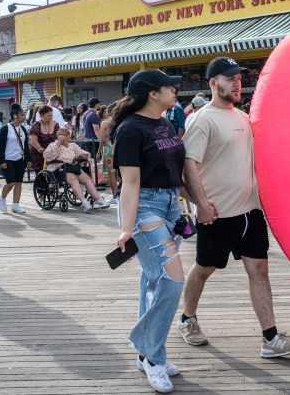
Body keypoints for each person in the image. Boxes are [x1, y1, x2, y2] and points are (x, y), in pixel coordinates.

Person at [178, 56, 290, 361]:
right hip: (218, 214)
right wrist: (201, 205)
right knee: (205, 268)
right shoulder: (202, 119)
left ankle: (271, 338)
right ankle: (187, 319)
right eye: (229, 78)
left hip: (251, 212)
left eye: (239, 78)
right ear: (213, 83)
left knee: (259, 269)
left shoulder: (243, 117)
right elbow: (188, 165)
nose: (237, 83)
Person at [109, 69, 187, 393]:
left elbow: (174, 170)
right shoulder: (129, 130)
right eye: (170, 87)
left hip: (169, 206)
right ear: (153, 93)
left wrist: (184, 208)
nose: (175, 91)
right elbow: (130, 183)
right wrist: (127, 230)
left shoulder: (165, 123)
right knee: (172, 278)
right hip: (144, 209)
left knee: (153, 278)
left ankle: (148, 354)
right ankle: (152, 355)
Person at [44, 128, 110, 212]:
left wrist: (83, 156)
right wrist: (58, 143)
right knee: (73, 179)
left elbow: (83, 153)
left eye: (62, 134)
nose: (60, 136)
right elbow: (47, 156)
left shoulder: (73, 145)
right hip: (59, 168)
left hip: (73, 167)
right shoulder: (53, 145)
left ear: (68, 136)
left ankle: (98, 200)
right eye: (59, 134)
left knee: (86, 179)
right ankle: (84, 203)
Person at [0, 104, 31, 214]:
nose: (24, 116)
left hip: (19, 158)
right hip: (8, 159)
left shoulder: (23, 129)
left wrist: (28, 159)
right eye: (21, 115)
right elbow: (0, 146)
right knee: (10, 182)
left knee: (19, 182)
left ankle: (15, 205)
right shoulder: (6, 129)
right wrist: (2, 161)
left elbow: (25, 145)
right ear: (15, 116)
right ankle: (2, 198)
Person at [97, 104, 119, 204]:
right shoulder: (119, 121)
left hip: (108, 149)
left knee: (111, 174)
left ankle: (115, 196)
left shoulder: (105, 123)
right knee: (119, 174)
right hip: (119, 148)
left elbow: (102, 140)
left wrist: (98, 152)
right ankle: (121, 193)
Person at [29, 105, 59, 173]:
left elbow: (59, 137)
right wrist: (39, 148)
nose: (50, 117)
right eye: (48, 116)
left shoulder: (55, 124)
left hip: (52, 154)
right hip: (39, 155)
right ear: (41, 115)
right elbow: (33, 140)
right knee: (41, 177)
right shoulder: (36, 125)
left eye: (51, 115)